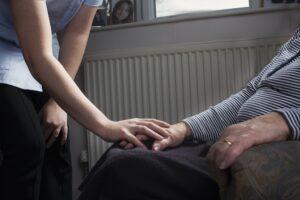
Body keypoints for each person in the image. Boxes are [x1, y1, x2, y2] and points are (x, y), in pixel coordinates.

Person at [78, 27, 300, 200]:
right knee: (132, 144)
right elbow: (248, 94)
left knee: (125, 169)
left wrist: (283, 122)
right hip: (227, 140)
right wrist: (181, 129)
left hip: (250, 156)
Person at [0, 0, 170, 200]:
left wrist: (57, 104)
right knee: (28, 142)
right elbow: (37, 57)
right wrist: (105, 126)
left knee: (55, 138)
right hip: (11, 47)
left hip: (39, 45)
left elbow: (76, 34)